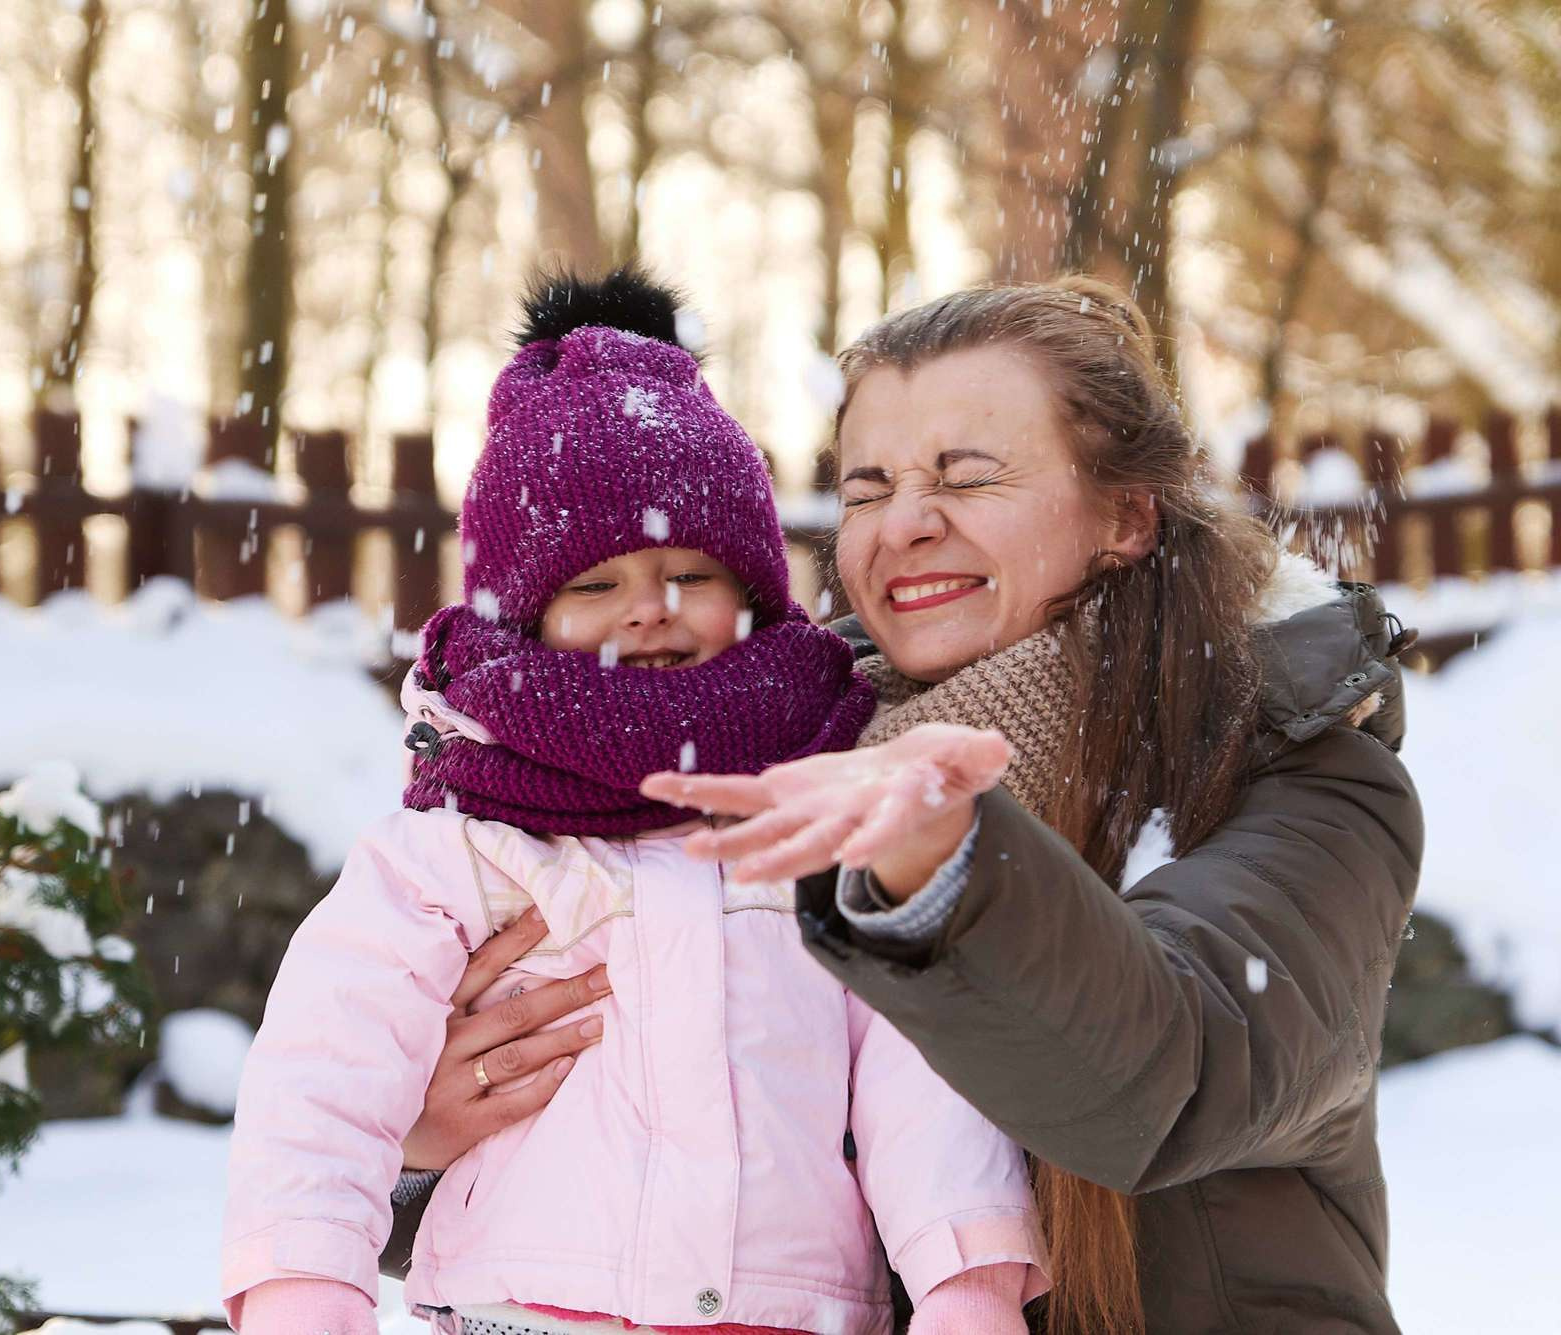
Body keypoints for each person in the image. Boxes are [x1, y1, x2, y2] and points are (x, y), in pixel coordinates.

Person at [392, 278, 1423, 1334]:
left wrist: (946, 863)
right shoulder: (783, 757)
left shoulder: (1299, 780)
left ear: (1123, 513)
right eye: (865, 488)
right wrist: (413, 1139)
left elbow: (1166, 1086)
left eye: (964, 480)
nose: (904, 526)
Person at [220, 269, 1050, 1335]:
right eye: (595, 585)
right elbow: (324, 1076)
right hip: (522, 1310)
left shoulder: (814, 806)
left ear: (752, 589)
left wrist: (961, 1282)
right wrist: (302, 1288)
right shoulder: (461, 841)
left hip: (788, 1309)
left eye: (688, 574)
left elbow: (917, 1066)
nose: (649, 612)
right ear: (526, 614)